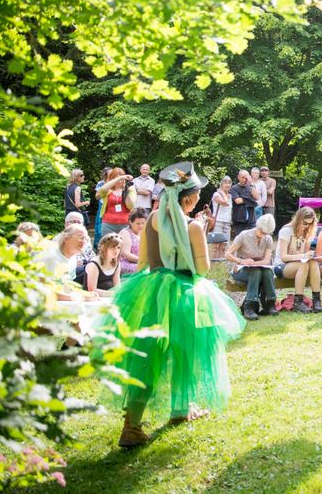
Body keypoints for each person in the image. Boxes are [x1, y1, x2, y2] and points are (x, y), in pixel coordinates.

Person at [98, 162, 244, 448]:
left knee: (146, 356)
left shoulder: (152, 218)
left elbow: (143, 261)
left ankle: (134, 424)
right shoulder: (193, 226)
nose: (200, 198)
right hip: (184, 294)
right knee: (184, 353)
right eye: (198, 194)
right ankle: (179, 408)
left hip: (153, 290)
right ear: (188, 198)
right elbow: (202, 269)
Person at [226, 213, 278, 321]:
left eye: (266, 233)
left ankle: (270, 303)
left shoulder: (268, 239)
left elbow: (266, 260)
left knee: (267, 272)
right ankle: (249, 306)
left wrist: (253, 263)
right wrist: (242, 261)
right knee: (256, 272)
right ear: (258, 226)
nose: (263, 235)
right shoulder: (244, 235)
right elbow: (228, 254)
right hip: (241, 269)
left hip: (259, 268)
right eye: (262, 232)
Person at [273, 207, 322, 314]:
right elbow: (283, 257)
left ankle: (317, 300)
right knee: (303, 265)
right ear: (298, 219)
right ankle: (298, 302)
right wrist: (303, 256)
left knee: (313, 262)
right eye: (305, 223)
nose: (307, 226)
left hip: (298, 265)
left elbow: (303, 255)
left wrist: (309, 255)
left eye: (310, 224)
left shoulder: (306, 232)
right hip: (281, 266)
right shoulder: (286, 230)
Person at [97, 168, 135, 238]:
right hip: (108, 224)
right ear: (112, 179)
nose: (119, 181)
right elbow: (101, 191)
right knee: (108, 244)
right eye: (116, 178)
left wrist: (125, 191)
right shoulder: (108, 189)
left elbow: (130, 205)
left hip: (125, 224)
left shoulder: (130, 189)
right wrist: (119, 177)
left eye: (121, 179)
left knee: (124, 244)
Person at [117, 209, 148, 276]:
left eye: (143, 223)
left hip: (140, 262)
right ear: (130, 222)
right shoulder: (126, 233)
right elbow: (126, 254)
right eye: (138, 223)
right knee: (145, 270)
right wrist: (143, 261)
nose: (141, 226)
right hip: (126, 263)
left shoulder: (143, 232)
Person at [229, 169, 258, 239]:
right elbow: (238, 201)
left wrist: (251, 184)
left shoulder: (251, 187)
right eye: (243, 178)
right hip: (240, 220)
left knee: (252, 241)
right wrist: (250, 198)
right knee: (239, 240)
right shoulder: (234, 188)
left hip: (251, 220)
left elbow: (256, 197)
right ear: (238, 177)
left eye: (246, 178)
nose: (245, 180)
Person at [93, 166, 111, 249]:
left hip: (112, 206)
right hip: (102, 206)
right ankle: (98, 246)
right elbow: (97, 197)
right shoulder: (101, 183)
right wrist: (105, 189)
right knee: (99, 226)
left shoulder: (116, 182)